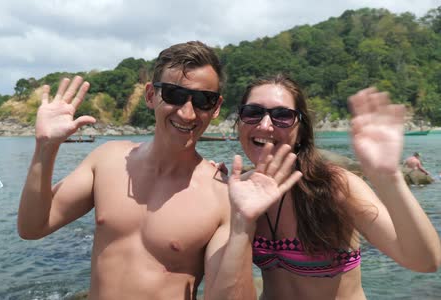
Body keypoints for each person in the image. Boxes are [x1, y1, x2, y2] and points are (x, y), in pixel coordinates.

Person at [17, 42, 301, 299]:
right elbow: (32, 227)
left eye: (203, 100)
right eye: (175, 95)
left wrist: (244, 226)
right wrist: (46, 148)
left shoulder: (222, 195)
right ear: (151, 95)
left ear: (216, 108)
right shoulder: (107, 160)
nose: (187, 113)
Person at [223, 74, 441, 299]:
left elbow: (424, 261)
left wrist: (388, 177)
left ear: (300, 131)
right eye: (253, 113)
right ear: (239, 121)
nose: (265, 125)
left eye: (282, 116)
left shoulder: (334, 187)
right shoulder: (240, 192)